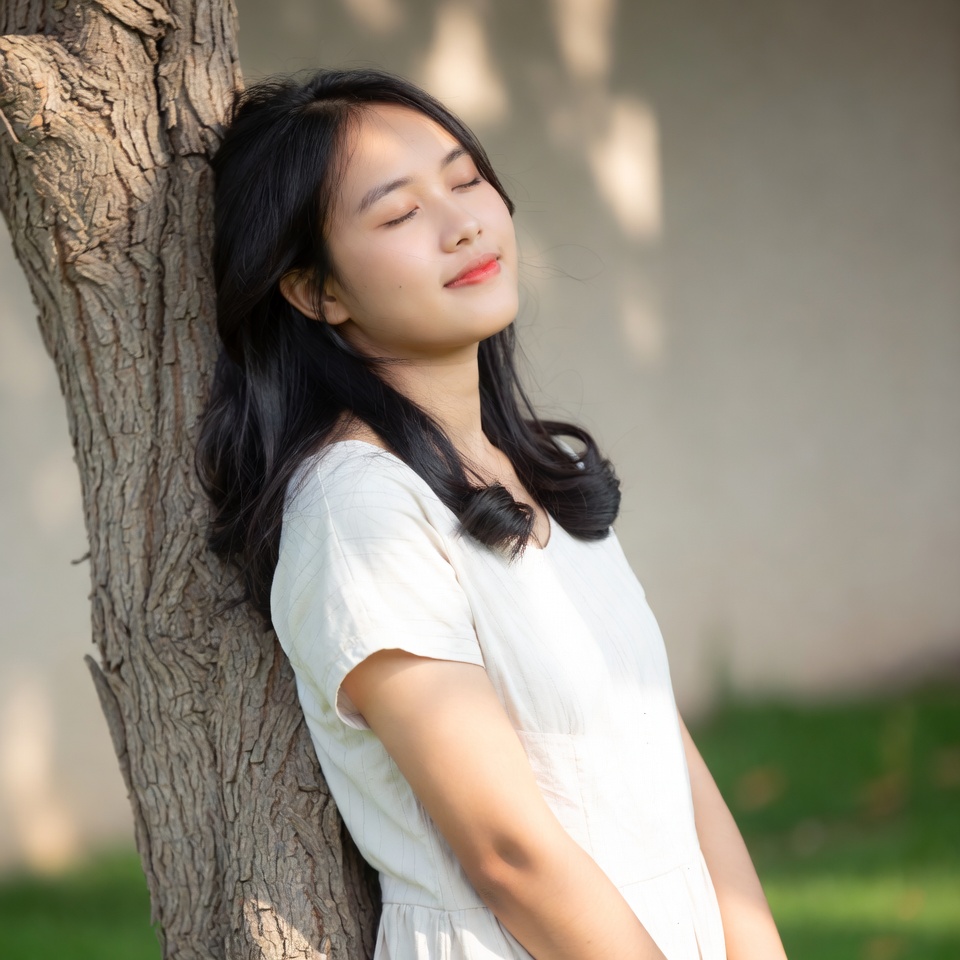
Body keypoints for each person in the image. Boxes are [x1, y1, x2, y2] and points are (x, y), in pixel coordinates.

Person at [196, 68, 787, 960]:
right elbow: (509, 854)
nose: (464, 221)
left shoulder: (534, 473)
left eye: (467, 179)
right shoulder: (362, 511)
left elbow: (670, 759)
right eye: (398, 215)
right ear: (319, 292)